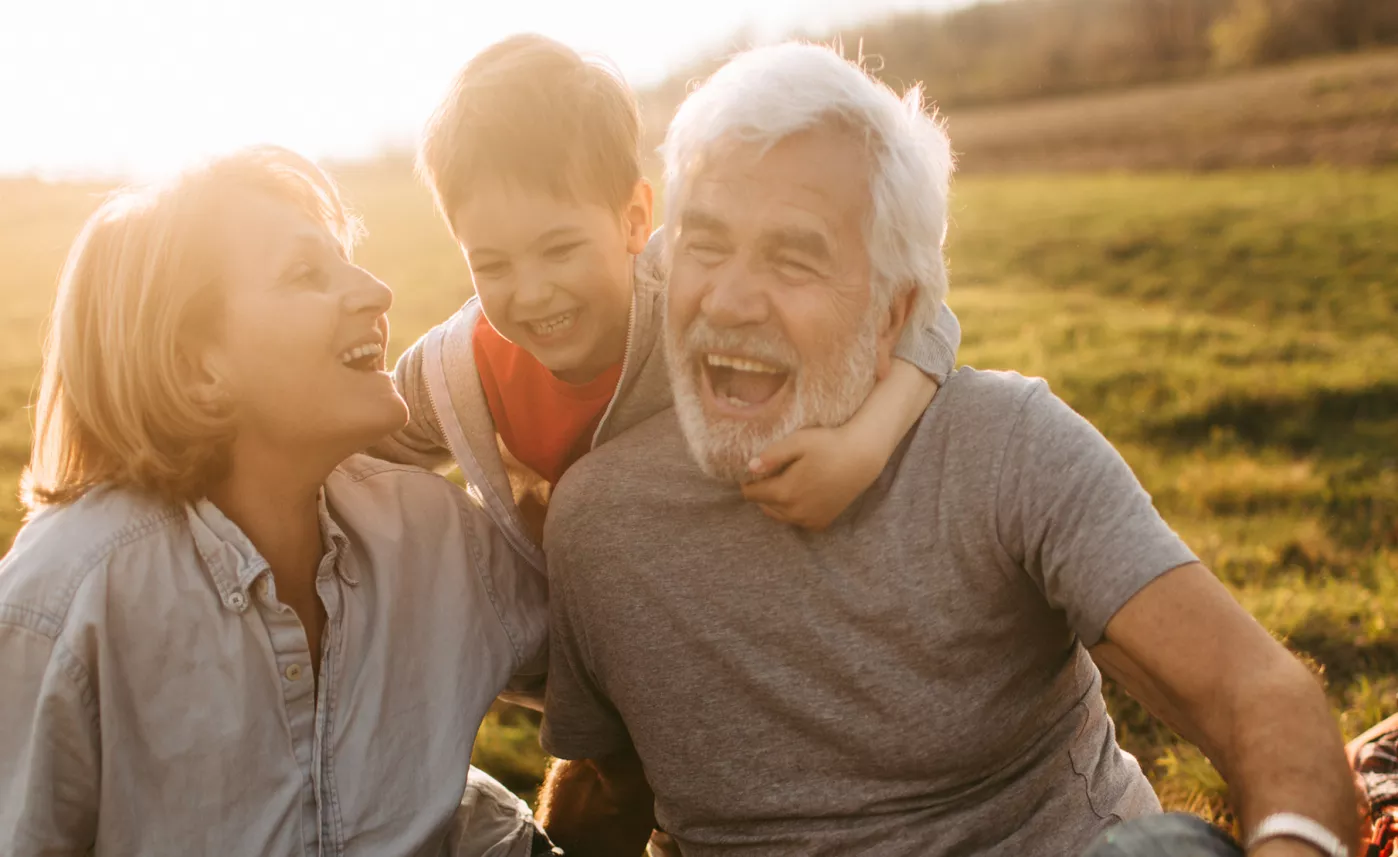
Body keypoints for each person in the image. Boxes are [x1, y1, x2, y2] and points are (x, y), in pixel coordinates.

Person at [534, 43, 1360, 857]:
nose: (731, 298)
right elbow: (605, 799)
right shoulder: (600, 523)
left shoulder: (1003, 448)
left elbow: (1258, 694)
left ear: (896, 314)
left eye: (794, 257)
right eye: (706, 245)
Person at [0, 148, 553, 856]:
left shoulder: (435, 533)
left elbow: (619, 665)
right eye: (306, 275)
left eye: (348, 262)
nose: (377, 292)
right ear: (197, 367)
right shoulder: (68, 599)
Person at [371, 35, 963, 577]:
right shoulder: (455, 369)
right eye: (492, 265)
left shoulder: (690, 296)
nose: (530, 292)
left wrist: (863, 447)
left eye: (559, 249)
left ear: (634, 220)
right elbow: (357, 446)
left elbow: (923, 317)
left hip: (714, 592)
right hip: (562, 642)